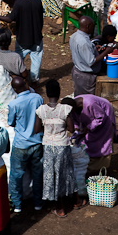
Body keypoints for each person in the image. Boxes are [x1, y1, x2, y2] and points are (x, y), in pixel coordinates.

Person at [34, 79, 80, 217]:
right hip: (63, 146)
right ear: (59, 92)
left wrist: (47, 125)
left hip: (49, 146)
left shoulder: (41, 110)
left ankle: (60, 208)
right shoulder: (65, 109)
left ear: (47, 94)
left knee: (53, 176)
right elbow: (71, 129)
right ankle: (76, 201)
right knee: (67, 173)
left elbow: (36, 129)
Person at [7, 76, 44, 213]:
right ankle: (38, 203)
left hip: (21, 144)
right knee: (37, 174)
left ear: (15, 89)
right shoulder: (37, 98)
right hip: (37, 142)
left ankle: (17, 205)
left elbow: (11, 122)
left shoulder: (14, 104)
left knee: (16, 175)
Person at [0, 0, 44, 81]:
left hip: (23, 38)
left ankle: (19, 77)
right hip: (37, 37)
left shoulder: (19, 3)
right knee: (36, 60)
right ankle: (34, 80)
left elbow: (10, 19)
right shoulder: (37, 1)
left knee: (19, 58)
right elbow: (40, 16)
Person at [67, 94, 115, 172]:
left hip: (105, 116)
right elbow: (74, 118)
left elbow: (100, 117)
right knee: (88, 139)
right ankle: (90, 164)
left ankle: (102, 167)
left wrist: (87, 128)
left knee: (102, 140)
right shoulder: (72, 105)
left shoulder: (90, 103)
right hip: (93, 118)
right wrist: (77, 128)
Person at [69, 16, 114, 96]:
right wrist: (106, 52)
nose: (93, 29)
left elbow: (80, 52)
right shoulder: (84, 42)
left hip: (77, 71)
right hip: (85, 77)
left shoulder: (74, 36)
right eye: (92, 27)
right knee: (87, 99)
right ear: (88, 26)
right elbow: (91, 62)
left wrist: (93, 49)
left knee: (79, 96)